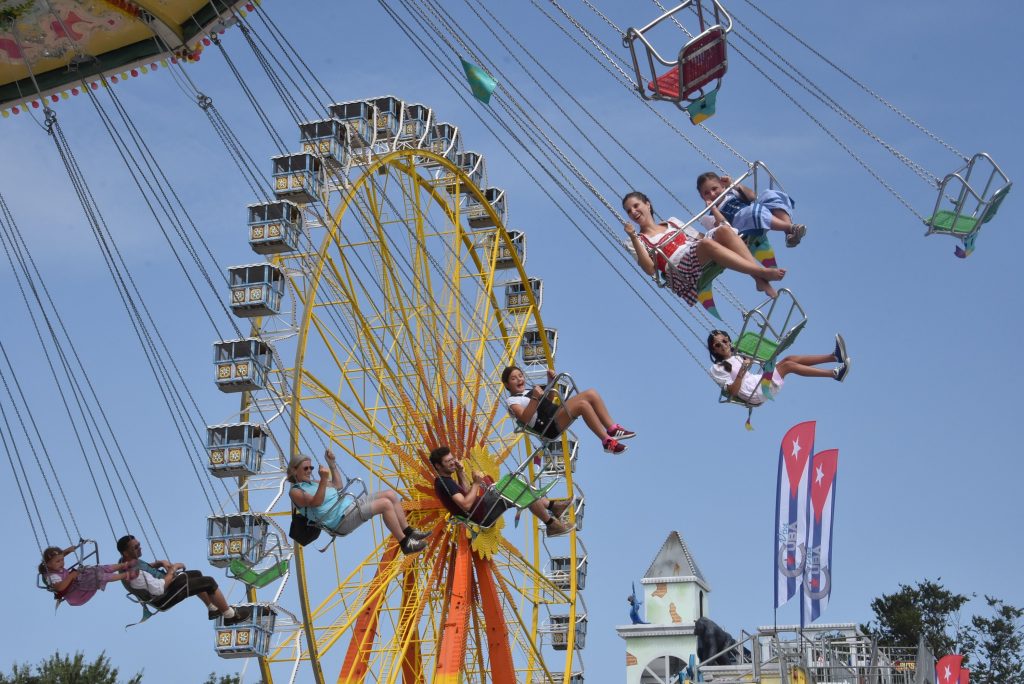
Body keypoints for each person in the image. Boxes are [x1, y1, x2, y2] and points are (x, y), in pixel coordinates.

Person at [622, 191, 786, 305]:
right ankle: (761, 272)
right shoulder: (636, 240)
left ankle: (758, 279)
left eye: (636, 206)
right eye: (629, 211)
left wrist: (723, 238)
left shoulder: (672, 222)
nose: (633, 211)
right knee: (706, 244)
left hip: (694, 250)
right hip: (678, 271)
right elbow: (650, 270)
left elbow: (699, 238)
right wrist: (633, 237)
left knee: (723, 230)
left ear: (647, 204)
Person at [287, 448, 430, 555]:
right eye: (305, 468)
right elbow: (315, 502)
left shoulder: (314, 483)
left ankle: (409, 532)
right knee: (385, 505)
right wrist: (324, 479)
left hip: (350, 506)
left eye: (310, 467)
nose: (309, 471)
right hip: (340, 520)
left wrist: (332, 464)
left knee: (390, 495)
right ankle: (405, 543)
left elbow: (338, 486)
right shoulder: (295, 491)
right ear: (294, 471)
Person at [428, 446, 571, 535]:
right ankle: (551, 523)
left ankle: (553, 507)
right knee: (518, 492)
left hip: (482, 506)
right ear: (438, 466)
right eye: (448, 461)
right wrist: (477, 484)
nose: (453, 462)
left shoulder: (446, 480)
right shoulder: (443, 482)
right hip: (483, 513)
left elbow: (465, 493)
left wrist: (460, 472)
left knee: (516, 486)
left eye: (453, 459)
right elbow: (466, 505)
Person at [116, 535, 252, 625]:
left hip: (165, 586)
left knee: (197, 574)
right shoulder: (133, 573)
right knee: (209, 582)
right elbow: (159, 588)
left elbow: (146, 567)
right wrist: (173, 569)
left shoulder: (126, 561)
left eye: (139, 545)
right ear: (126, 553)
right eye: (135, 547)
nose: (140, 548)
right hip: (163, 596)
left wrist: (159, 563)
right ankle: (230, 616)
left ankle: (212, 608)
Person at [501, 366, 635, 454]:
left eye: (520, 375)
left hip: (554, 413)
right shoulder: (512, 401)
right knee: (583, 405)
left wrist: (550, 381)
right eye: (514, 378)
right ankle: (607, 441)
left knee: (591, 393)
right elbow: (524, 418)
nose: (519, 379)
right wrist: (535, 398)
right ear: (507, 384)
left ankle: (612, 428)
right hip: (548, 426)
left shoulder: (530, 390)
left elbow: (550, 399)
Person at [707, 330, 850, 405]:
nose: (723, 345)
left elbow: (748, 366)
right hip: (755, 392)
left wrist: (748, 363)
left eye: (724, 341)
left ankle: (834, 357)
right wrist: (742, 370)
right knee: (788, 366)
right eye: (717, 345)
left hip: (758, 382)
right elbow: (732, 391)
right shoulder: (717, 368)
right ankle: (834, 374)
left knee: (789, 359)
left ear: (729, 341)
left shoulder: (737, 357)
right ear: (714, 350)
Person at [696, 172, 806, 248]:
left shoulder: (731, 193)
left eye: (714, 189)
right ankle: (791, 228)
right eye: (706, 193)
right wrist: (714, 209)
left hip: (755, 212)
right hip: (741, 227)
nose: (712, 194)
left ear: (722, 186)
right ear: (702, 197)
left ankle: (789, 234)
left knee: (770, 194)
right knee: (751, 212)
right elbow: (724, 227)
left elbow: (752, 196)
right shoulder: (710, 216)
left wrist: (734, 185)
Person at [39, 544, 136, 606]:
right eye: (58, 561)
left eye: (62, 560)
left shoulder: (53, 566)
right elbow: (60, 588)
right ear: (48, 564)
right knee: (97, 576)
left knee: (96, 569)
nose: (62, 563)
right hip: (76, 594)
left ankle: (124, 565)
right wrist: (71, 576)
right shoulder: (51, 576)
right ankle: (126, 575)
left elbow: (57, 557)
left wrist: (66, 551)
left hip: (77, 582)